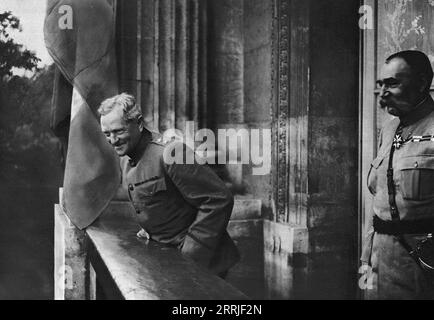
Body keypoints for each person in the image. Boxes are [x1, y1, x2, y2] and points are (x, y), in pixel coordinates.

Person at [98, 93, 240, 278]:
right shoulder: (126, 159)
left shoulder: (172, 152)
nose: (113, 140)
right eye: (107, 134)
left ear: (139, 123)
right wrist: (151, 228)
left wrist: (190, 254)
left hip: (204, 262)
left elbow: (218, 200)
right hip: (168, 260)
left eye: (119, 131)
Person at [362, 50, 434, 299]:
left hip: (419, 270)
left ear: (422, 83)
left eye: (393, 83)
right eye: (381, 84)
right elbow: (380, 196)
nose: (383, 93)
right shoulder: (390, 127)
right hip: (379, 264)